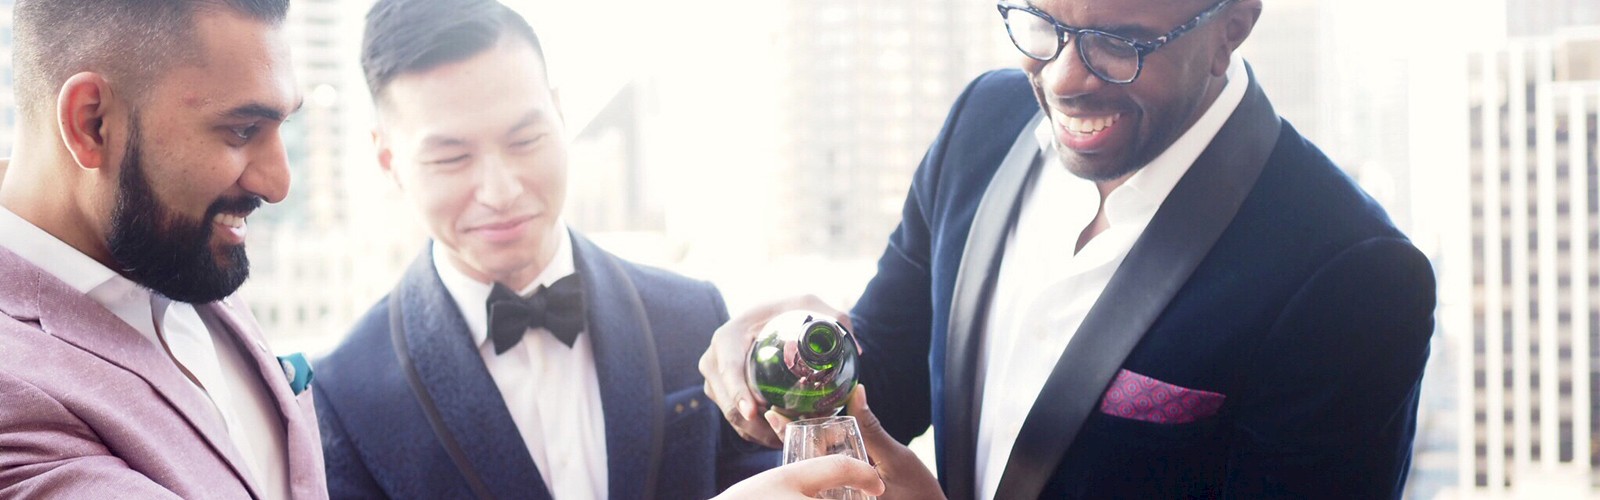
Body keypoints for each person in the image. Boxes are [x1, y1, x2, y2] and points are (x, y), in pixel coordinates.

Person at [702, 0, 1437, 498]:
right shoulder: (980, 126)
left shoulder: (1354, 276)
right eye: (1042, 21)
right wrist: (787, 365)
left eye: (1119, 42)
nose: (1062, 76)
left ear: (1233, 25)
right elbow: (890, 374)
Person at [312, 0, 776, 498]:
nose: (501, 190)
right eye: (452, 157)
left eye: (525, 139)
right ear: (389, 160)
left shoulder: (693, 314)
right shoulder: (347, 394)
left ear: (559, 112)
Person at [0, 0, 326, 498]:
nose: (279, 183)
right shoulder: (13, 399)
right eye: (241, 130)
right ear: (92, 123)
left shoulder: (166, 240)